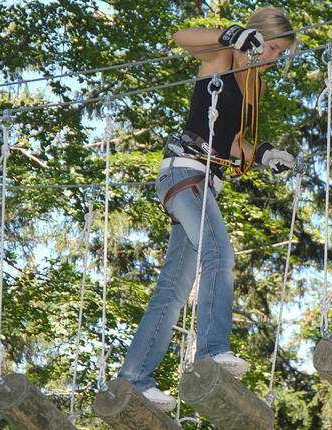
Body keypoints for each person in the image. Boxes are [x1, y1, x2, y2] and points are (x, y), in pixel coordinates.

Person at [117, 7, 298, 411]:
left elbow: (229, 141)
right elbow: (181, 37)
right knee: (220, 253)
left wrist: (264, 154)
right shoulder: (219, 58)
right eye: (271, 47)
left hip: (206, 183)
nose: (272, 57)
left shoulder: (256, 86)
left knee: (174, 287)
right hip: (183, 173)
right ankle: (212, 351)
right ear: (255, 36)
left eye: (280, 53)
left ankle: (134, 380)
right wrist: (232, 35)